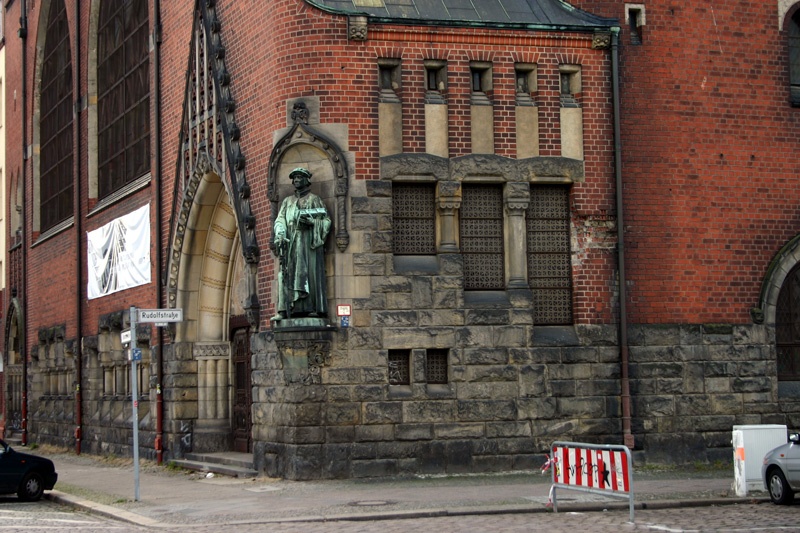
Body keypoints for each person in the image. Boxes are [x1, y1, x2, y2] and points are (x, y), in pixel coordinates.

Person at [272, 168, 331, 320]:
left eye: (299, 177)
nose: (296, 180)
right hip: (291, 244)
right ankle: (284, 310)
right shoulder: (287, 201)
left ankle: (310, 307)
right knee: (285, 275)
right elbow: (280, 220)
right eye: (294, 178)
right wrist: (280, 233)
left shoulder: (314, 199)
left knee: (307, 275)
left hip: (307, 245)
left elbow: (326, 221)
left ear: (306, 180)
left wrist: (313, 223)